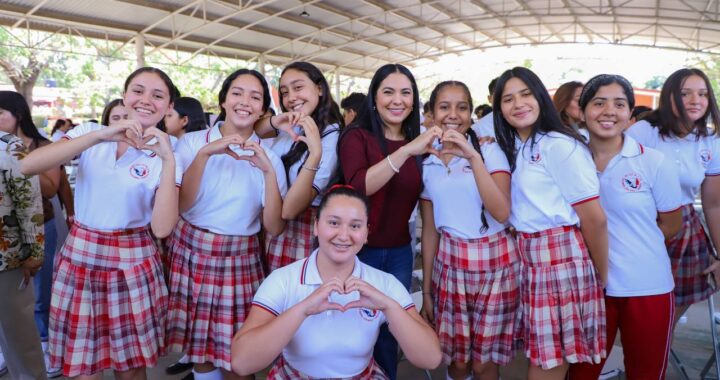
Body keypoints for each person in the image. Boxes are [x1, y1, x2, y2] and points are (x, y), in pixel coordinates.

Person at [21, 66, 179, 379]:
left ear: (168, 107)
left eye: (157, 95)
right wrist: (101, 134)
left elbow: (162, 229)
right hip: (81, 254)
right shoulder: (89, 134)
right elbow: (27, 166)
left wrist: (168, 160)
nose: (146, 100)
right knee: (82, 366)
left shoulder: (171, 152)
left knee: (131, 367)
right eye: (138, 90)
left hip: (134, 258)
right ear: (125, 95)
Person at [230, 185, 442, 379]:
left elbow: (430, 358)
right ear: (316, 226)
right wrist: (303, 309)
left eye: (355, 226)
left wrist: (388, 306)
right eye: (333, 223)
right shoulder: (284, 280)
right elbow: (242, 362)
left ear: (366, 233)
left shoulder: (383, 283)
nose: (343, 235)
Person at [166, 68, 286, 380]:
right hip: (190, 250)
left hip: (240, 257)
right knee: (200, 354)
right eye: (237, 93)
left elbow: (274, 226)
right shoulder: (191, 143)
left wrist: (269, 173)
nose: (245, 101)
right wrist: (205, 155)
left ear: (262, 109)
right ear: (223, 101)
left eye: (255, 97)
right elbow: (181, 205)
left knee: (239, 358)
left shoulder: (269, 158)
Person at [493, 67, 608, 379]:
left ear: (541, 97)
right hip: (529, 257)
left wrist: (602, 274)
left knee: (548, 362)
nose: (518, 103)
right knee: (545, 356)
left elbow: (594, 219)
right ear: (499, 109)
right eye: (508, 99)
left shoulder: (559, 145)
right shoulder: (515, 144)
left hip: (559, 257)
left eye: (526, 94)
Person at [567, 75, 682, 379]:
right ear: (582, 110)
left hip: (647, 288)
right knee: (580, 374)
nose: (608, 111)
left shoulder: (654, 162)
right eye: (599, 102)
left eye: (619, 104)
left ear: (630, 113)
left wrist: (633, 248)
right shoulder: (566, 160)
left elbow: (671, 224)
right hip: (588, 288)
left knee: (645, 373)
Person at [338, 63, 442, 379]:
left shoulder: (421, 144)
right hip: (357, 253)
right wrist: (407, 151)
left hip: (399, 251)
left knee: (389, 333)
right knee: (353, 330)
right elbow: (359, 186)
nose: (397, 100)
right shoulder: (357, 137)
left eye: (405, 93)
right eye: (388, 92)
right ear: (374, 98)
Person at [418, 81, 519, 380]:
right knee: (458, 362)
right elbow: (430, 231)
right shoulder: (426, 158)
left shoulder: (489, 149)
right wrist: (426, 290)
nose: (453, 115)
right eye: (444, 107)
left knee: (484, 362)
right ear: (432, 113)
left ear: (471, 112)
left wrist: (473, 157)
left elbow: (502, 211)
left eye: (462, 107)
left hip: (496, 265)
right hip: (450, 264)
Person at [627, 68, 720, 325]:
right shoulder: (643, 132)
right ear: (669, 97)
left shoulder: (711, 140)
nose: (695, 100)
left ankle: (656, 356)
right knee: (636, 308)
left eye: (702, 94)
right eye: (685, 93)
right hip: (641, 223)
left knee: (666, 318)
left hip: (686, 227)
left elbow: (713, 205)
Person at [254, 61, 343, 272]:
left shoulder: (332, 137)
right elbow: (254, 130)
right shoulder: (294, 124)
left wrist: (315, 154)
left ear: (319, 88)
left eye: (298, 87)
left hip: (300, 234)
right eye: (284, 92)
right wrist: (276, 121)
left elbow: (291, 210)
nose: (291, 97)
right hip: (272, 228)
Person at [0, 91, 63, 378]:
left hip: (17, 245)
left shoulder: (15, 147)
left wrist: (34, 253)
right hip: (15, 245)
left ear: (18, 115)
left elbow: (38, 198)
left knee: (26, 316)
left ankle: (41, 355)